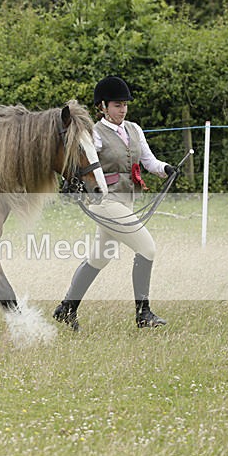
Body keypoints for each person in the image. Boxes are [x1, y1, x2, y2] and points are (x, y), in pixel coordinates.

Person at [53, 76, 177, 330]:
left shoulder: (134, 129)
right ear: (103, 106)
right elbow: (80, 162)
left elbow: (148, 161)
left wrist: (166, 169)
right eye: (117, 105)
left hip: (126, 202)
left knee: (100, 258)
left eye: (125, 105)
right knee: (147, 248)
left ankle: (66, 308)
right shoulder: (94, 135)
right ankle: (143, 313)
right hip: (105, 202)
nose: (123, 110)